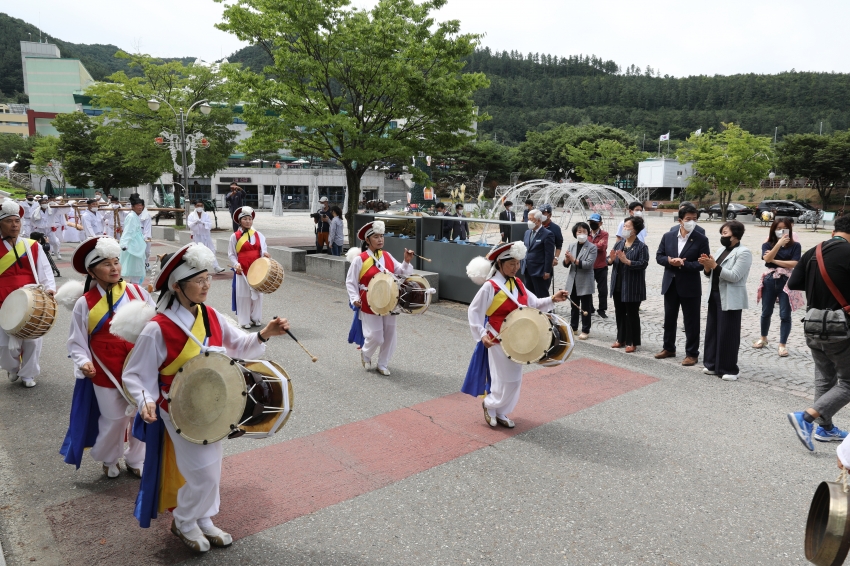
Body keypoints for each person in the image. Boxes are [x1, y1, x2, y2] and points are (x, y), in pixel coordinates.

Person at [120, 243, 290, 552]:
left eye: (208, 279)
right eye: (198, 280)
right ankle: (184, 521)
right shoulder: (157, 329)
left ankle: (204, 519)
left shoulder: (211, 315)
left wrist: (265, 334)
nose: (206, 285)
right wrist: (145, 400)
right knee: (202, 471)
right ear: (177, 286)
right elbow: (135, 374)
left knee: (211, 469)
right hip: (178, 410)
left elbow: (239, 344)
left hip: (216, 407)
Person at [57, 236, 154, 478]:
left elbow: (156, 326)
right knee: (113, 419)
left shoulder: (137, 292)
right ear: (92, 270)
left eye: (116, 262)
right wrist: (83, 362)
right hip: (104, 369)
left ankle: (136, 458)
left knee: (144, 414)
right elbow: (77, 341)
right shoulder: (84, 303)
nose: (114, 268)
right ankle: (110, 458)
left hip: (137, 364)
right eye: (107, 264)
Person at [464, 241, 568, 427]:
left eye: (518, 263)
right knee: (502, 377)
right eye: (511, 264)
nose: (516, 267)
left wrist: (553, 299)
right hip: (497, 337)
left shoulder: (518, 283)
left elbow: (533, 303)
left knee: (514, 379)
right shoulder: (491, 287)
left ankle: (502, 411)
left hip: (518, 340)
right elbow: (474, 311)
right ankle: (490, 405)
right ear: (500, 264)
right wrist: (481, 334)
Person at [786, 214, 850, 451]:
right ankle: (806, 417)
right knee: (848, 382)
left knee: (825, 378)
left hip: (812, 324)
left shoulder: (814, 250)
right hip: (840, 327)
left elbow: (793, 284)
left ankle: (825, 428)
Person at [345, 220, 414, 376]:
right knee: (376, 336)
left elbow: (401, 273)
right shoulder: (360, 259)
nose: (380, 240)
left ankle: (382, 364)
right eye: (376, 237)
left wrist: (406, 261)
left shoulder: (387, 256)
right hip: (369, 301)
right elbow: (351, 281)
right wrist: (354, 297)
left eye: (382, 236)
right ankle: (366, 353)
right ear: (368, 240)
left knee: (389, 334)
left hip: (389, 300)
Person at [0, 199, 56, 388]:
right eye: (9, 221)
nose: (14, 225)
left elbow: (45, 271)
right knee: (4, 346)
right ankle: (13, 368)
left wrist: (49, 290)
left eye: (17, 221)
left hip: (31, 301)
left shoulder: (32, 245)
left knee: (32, 341)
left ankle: (29, 373)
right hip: (3, 303)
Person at [655, 203, 711, 366]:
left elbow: (702, 264)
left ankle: (692, 353)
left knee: (691, 321)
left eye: (694, 219)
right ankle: (668, 348)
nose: (691, 222)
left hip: (690, 285)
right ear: (680, 220)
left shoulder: (701, 239)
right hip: (670, 283)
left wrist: (684, 264)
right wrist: (670, 261)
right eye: (688, 219)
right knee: (669, 318)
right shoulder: (668, 236)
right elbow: (659, 256)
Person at [698, 221, 753, 381]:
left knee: (728, 333)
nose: (723, 236)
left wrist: (714, 265)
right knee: (713, 331)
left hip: (731, 297)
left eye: (725, 233)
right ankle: (711, 364)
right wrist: (707, 267)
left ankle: (728, 369)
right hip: (714, 294)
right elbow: (711, 274)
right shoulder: (722, 249)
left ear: (735, 235)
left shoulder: (744, 252)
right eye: (722, 233)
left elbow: (735, 276)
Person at [754, 218, 803, 356]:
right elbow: (767, 259)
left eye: (784, 228)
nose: (781, 231)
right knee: (766, 311)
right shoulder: (767, 244)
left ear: (789, 229)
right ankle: (763, 338)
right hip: (770, 279)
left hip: (787, 281)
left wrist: (774, 260)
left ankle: (782, 344)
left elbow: (794, 263)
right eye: (778, 229)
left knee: (785, 314)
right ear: (773, 230)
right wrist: (778, 245)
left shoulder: (796, 245)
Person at [607, 216, 649, 352]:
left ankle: (632, 341)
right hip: (618, 284)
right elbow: (609, 258)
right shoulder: (619, 244)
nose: (624, 228)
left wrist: (628, 261)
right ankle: (621, 338)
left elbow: (643, 264)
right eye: (624, 226)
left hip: (632, 286)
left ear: (635, 230)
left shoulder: (641, 246)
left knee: (631, 314)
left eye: (627, 227)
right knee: (619, 312)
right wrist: (610, 260)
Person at [228, 206, 269, 329]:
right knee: (243, 295)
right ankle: (244, 320)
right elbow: (231, 254)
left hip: (257, 269)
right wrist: (236, 264)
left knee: (258, 294)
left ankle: (256, 318)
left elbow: (263, 251)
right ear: (240, 221)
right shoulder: (234, 236)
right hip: (243, 269)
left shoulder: (259, 235)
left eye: (250, 219)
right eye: (245, 219)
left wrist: (265, 255)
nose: (248, 221)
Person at [563, 221, 597, 340]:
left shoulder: (592, 247)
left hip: (585, 280)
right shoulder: (572, 246)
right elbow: (565, 264)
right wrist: (567, 260)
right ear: (575, 233)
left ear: (588, 233)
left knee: (586, 306)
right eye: (579, 231)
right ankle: (574, 327)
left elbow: (588, 264)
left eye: (584, 231)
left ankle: (585, 329)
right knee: (574, 305)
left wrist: (573, 260)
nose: (581, 233)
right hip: (573, 280)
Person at [521, 209, 555, 299]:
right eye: (528, 219)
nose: (528, 221)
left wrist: (547, 271)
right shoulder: (527, 232)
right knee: (529, 297)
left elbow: (549, 254)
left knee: (541, 296)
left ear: (539, 220)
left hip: (540, 271)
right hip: (528, 270)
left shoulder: (547, 234)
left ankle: (546, 313)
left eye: (531, 219)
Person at [187, 200, 224, 273]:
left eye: (201, 205)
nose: (200, 207)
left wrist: (203, 223)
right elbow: (190, 225)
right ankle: (196, 268)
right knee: (197, 252)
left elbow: (209, 225)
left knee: (211, 250)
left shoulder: (206, 215)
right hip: (197, 236)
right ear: (195, 206)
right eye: (198, 205)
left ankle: (216, 267)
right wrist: (195, 223)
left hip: (206, 235)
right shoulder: (191, 215)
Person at [119, 198, 149, 285]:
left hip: (137, 245)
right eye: (138, 205)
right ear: (133, 207)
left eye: (141, 205)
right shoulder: (131, 217)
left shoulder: (135, 216)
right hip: (133, 247)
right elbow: (128, 231)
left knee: (137, 269)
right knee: (135, 269)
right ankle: (134, 287)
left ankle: (135, 285)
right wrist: (124, 244)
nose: (140, 207)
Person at [586, 213, 610, 319]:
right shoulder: (586, 234)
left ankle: (602, 309)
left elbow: (602, 247)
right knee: (588, 288)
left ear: (600, 223)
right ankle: (589, 308)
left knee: (603, 289)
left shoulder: (604, 234)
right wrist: (594, 245)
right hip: (589, 266)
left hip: (601, 265)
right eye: (591, 222)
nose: (592, 224)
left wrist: (589, 246)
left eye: (595, 222)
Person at [540, 204, 563, 276]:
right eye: (540, 213)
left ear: (549, 215)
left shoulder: (555, 228)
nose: (541, 215)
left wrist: (555, 258)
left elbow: (559, 245)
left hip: (547, 261)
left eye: (544, 213)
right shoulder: (536, 226)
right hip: (536, 261)